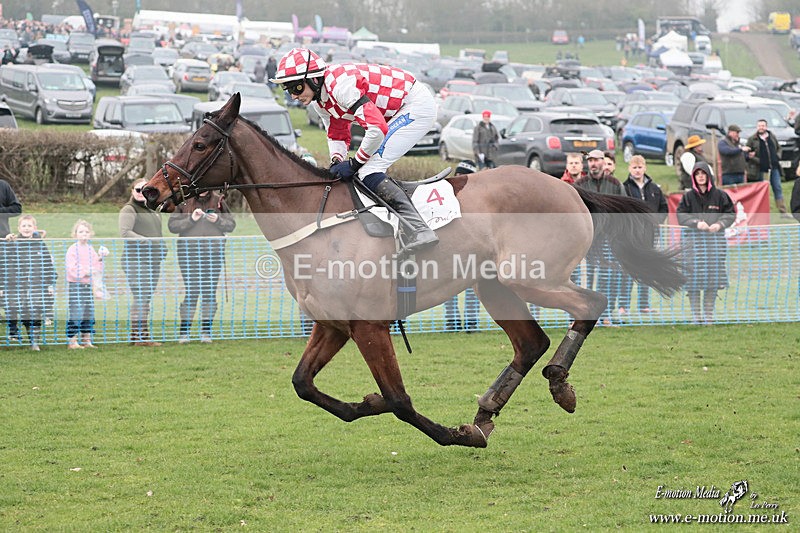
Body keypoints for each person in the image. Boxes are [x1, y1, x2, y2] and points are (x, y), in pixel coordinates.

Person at [271, 47, 439, 253]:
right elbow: (337, 133)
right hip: (396, 110)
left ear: (313, 79)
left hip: (415, 105)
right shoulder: (320, 102)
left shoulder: (340, 87)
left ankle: (420, 229)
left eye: (296, 88)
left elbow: (377, 129)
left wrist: (354, 163)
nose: (293, 96)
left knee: (368, 169)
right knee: (361, 169)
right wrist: (337, 160)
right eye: (287, 90)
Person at [168, 190, 236, 344]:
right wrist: (191, 219)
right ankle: (184, 332)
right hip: (188, 256)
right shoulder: (183, 200)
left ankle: (206, 332)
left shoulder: (219, 200)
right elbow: (172, 226)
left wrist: (218, 220)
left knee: (209, 293)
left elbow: (231, 224)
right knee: (191, 292)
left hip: (214, 255)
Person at [676, 161, 735, 325]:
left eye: (703, 173)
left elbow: (730, 214)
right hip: (692, 247)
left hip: (714, 246)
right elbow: (681, 215)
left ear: (709, 176)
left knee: (713, 280)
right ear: (694, 177)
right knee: (693, 281)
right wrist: (696, 223)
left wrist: (720, 224)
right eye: (697, 174)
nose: (701, 177)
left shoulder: (721, 195)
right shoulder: (688, 197)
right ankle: (697, 317)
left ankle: (708, 316)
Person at [575, 149, 626, 326]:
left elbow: (623, 211)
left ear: (604, 162)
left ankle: (605, 316)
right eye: (590, 161)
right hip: (586, 240)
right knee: (585, 280)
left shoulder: (615, 184)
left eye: (596, 160)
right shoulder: (579, 184)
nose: (593, 164)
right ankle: (580, 316)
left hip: (607, 240)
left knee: (608, 279)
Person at [119, 179, 168, 347]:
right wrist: (145, 241)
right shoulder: (129, 209)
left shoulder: (152, 210)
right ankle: (141, 336)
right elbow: (125, 233)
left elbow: (157, 234)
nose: (141, 192)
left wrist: (162, 247)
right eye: (138, 189)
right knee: (141, 296)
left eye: (144, 189)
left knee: (144, 298)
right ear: (132, 191)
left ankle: (137, 336)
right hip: (135, 261)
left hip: (152, 261)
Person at [618, 156, 668, 317]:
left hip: (649, 236)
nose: (637, 170)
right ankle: (623, 305)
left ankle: (643, 304)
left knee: (646, 269)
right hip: (630, 237)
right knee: (627, 271)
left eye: (640, 167)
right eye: (634, 167)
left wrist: (655, 222)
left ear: (645, 168)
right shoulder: (624, 188)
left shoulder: (654, 188)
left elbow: (663, 208)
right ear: (629, 169)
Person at [4, 216, 56, 350]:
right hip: (18, 286)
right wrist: (8, 243)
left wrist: (50, 283)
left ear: (35, 228)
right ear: (19, 228)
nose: (27, 228)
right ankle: (14, 332)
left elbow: (48, 265)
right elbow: (6, 263)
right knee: (20, 310)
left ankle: (34, 342)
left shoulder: (40, 244)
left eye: (29, 226)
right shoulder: (14, 243)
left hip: (37, 286)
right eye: (24, 226)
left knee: (35, 312)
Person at [442, 160, 481, 332]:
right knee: (448, 289)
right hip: (450, 250)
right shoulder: (444, 196)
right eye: (458, 175)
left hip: (471, 251)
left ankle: (471, 323)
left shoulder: (478, 201)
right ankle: (453, 322)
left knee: (474, 289)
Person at [65, 220, 109, 349]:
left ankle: (86, 339)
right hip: (76, 285)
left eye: (86, 231)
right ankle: (72, 341)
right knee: (76, 312)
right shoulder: (72, 249)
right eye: (81, 231)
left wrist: (100, 258)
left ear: (90, 234)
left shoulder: (90, 249)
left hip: (88, 286)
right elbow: (71, 269)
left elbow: (96, 267)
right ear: (75, 234)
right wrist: (85, 272)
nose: (84, 234)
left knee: (88, 312)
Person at [746, 118, 790, 218]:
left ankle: (783, 212)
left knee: (777, 188)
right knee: (763, 191)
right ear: (757, 127)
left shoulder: (771, 136)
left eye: (763, 126)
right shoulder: (752, 139)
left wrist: (777, 156)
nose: (761, 127)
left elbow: (779, 148)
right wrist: (757, 160)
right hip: (761, 169)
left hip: (774, 168)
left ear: (766, 126)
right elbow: (748, 154)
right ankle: (762, 213)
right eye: (759, 126)